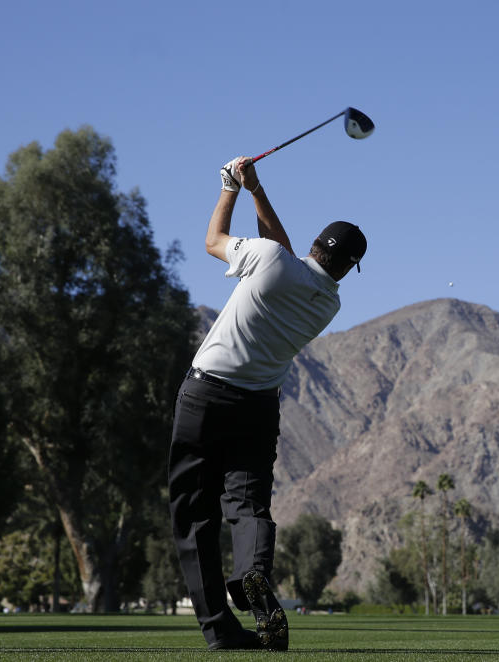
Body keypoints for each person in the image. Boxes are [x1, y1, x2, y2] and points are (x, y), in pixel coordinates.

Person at [167, 156, 367, 651]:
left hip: (205, 396)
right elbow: (281, 252)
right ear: (347, 267)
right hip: (258, 407)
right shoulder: (328, 303)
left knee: (195, 517)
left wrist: (230, 188)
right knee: (248, 505)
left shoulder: (269, 260)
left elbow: (214, 241)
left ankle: (220, 632)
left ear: (316, 244)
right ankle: (251, 574)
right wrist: (256, 188)